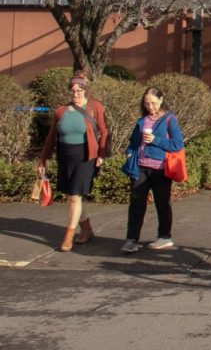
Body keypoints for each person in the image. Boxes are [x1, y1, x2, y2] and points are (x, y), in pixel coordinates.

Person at [38, 72, 109, 252]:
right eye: (73, 90)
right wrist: (42, 158)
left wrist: (102, 153)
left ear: (86, 90)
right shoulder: (61, 111)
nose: (75, 94)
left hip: (85, 157)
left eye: (79, 90)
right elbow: (52, 136)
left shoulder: (95, 107)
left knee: (75, 196)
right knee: (72, 196)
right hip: (65, 157)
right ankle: (86, 229)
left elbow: (104, 131)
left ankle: (68, 237)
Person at [121, 87, 185, 253]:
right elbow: (133, 142)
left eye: (154, 103)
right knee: (136, 204)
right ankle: (131, 239)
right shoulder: (142, 120)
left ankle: (164, 236)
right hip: (140, 166)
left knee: (162, 203)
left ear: (161, 100)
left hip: (160, 168)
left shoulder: (169, 119)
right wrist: (129, 153)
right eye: (147, 103)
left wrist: (155, 140)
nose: (150, 107)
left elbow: (177, 144)